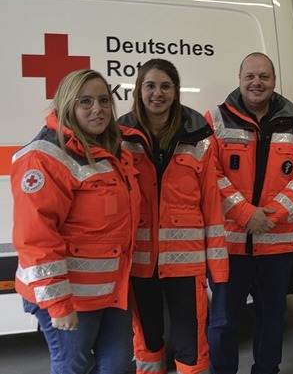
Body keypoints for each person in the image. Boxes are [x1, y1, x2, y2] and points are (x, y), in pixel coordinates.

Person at [11, 69, 141, 374]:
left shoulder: (113, 151)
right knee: (74, 366)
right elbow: (36, 237)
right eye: (85, 101)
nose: (98, 109)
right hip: (71, 296)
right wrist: (59, 304)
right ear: (68, 105)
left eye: (103, 100)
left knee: (117, 364)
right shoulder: (44, 158)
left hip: (112, 290)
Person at [204, 52, 293, 374]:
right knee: (224, 322)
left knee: (272, 321)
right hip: (229, 246)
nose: (257, 83)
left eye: (264, 77)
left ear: (274, 81)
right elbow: (208, 173)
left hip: (276, 247)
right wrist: (243, 212)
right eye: (250, 76)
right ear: (239, 80)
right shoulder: (214, 120)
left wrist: (273, 214)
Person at [117, 58, 228, 374]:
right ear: (139, 90)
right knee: (148, 343)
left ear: (176, 91)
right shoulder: (119, 138)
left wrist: (218, 271)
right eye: (150, 86)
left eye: (165, 86)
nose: (157, 93)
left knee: (191, 347)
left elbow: (212, 206)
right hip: (140, 262)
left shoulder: (198, 138)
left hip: (186, 263)